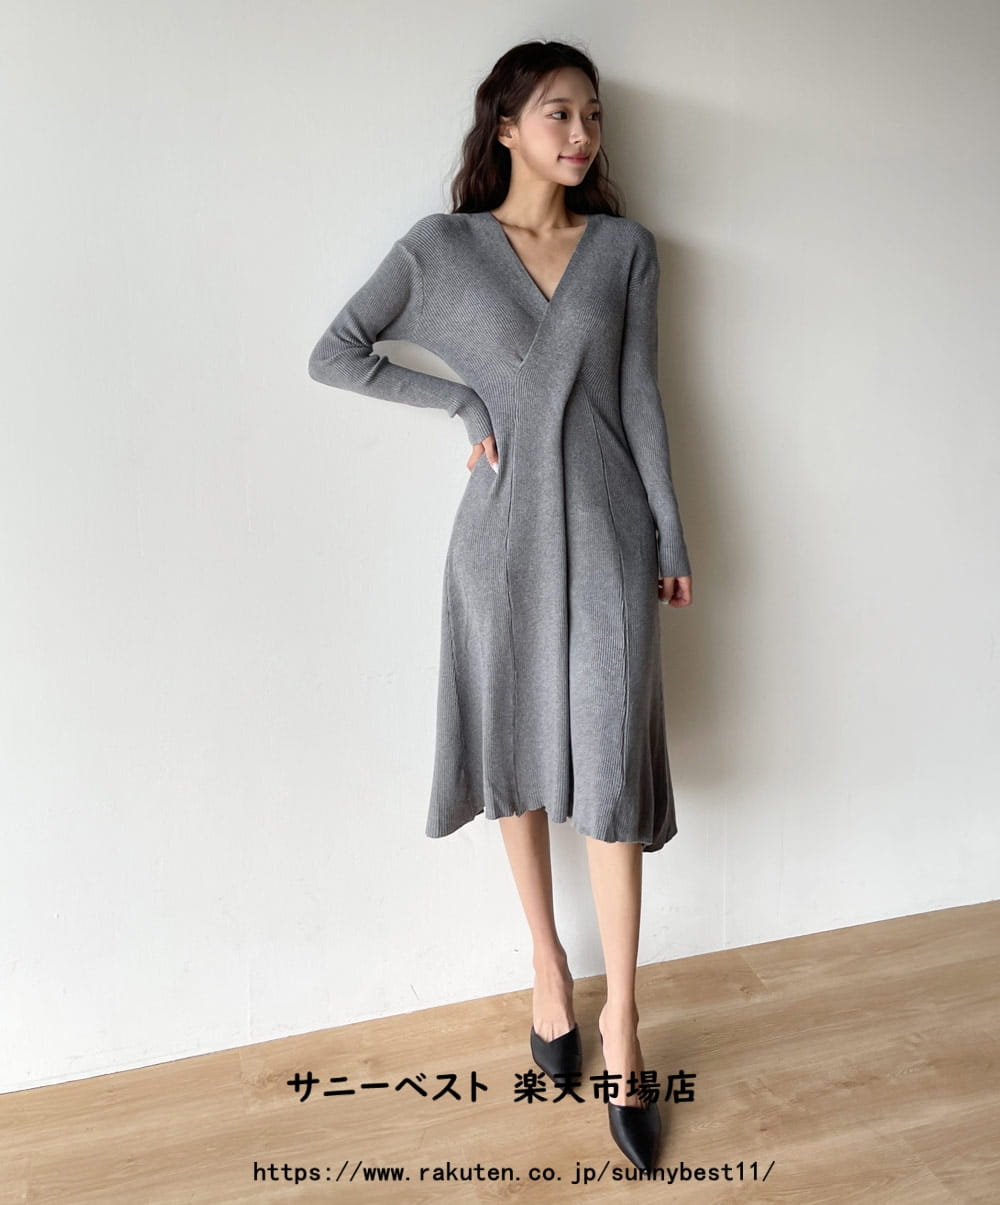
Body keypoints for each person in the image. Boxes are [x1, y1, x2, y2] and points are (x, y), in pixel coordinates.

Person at [308, 39, 693, 1173]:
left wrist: (670, 532)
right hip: (500, 539)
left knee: (610, 774)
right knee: (515, 749)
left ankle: (623, 1025)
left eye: (593, 114)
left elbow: (641, 397)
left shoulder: (625, 250)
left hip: (610, 531)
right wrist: (461, 399)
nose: (582, 133)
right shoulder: (441, 249)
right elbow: (336, 351)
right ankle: (547, 964)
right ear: (508, 127)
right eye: (559, 113)